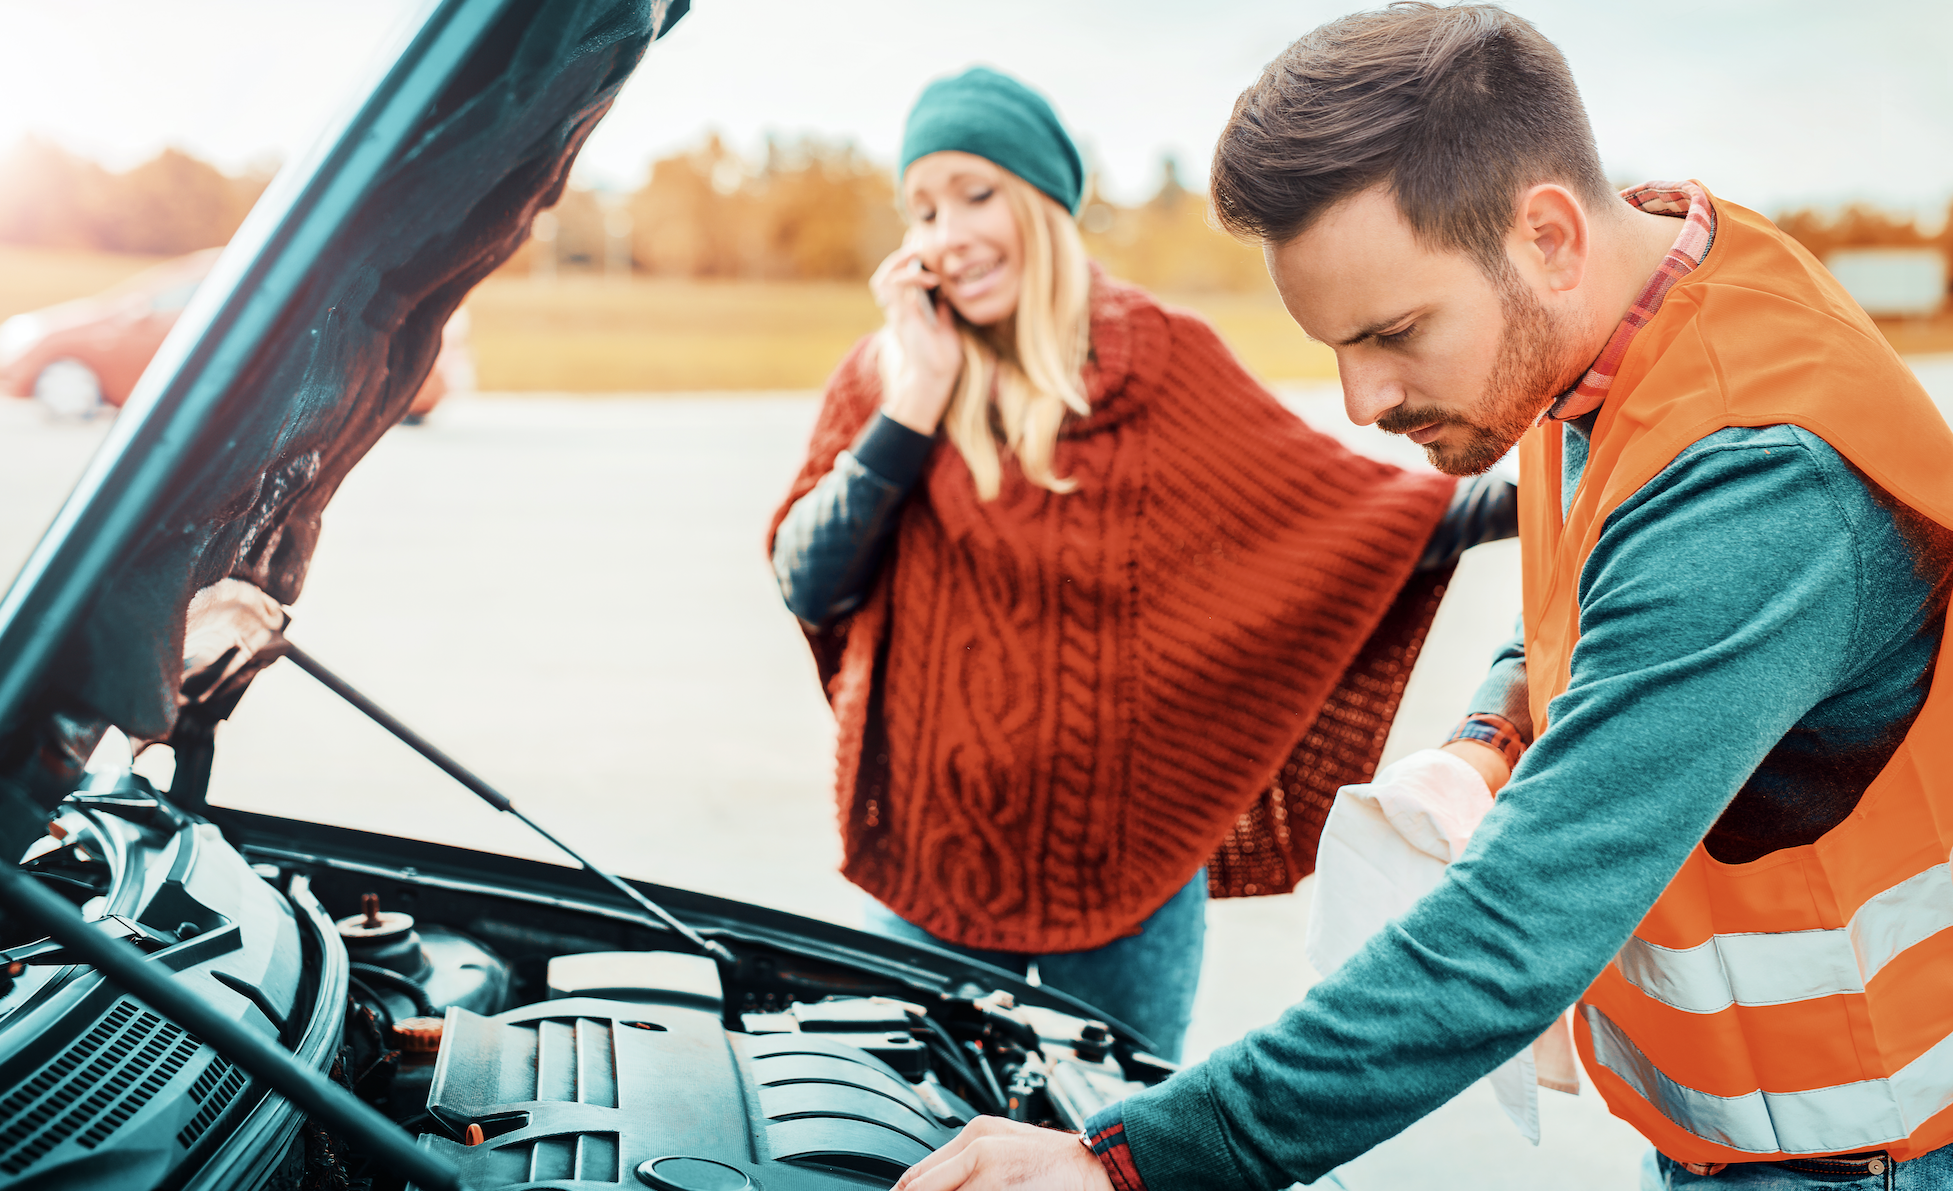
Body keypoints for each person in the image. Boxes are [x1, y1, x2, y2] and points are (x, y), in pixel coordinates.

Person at [894, 7, 1953, 1191]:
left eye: (1395, 333)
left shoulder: (1758, 480)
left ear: (1548, 234)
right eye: (1338, 346)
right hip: (1760, 1140)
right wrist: (1490, 735)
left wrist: (1133, 1165)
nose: (1362, 399)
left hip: (1870, 1154)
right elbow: (1601, 575)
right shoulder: (1638, 303)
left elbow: (1510, 936)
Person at [767, 66, 1518, 1063]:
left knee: (1112, 1132)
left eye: (975, 193)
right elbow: (808, 580)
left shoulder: (1162, 358)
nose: (946, 230)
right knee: (894, 1134)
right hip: (927, 855)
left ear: (1040, 203)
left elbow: (1345, 515)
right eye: (922, 208)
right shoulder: (888, 371)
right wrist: (915, 402)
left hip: (1127, 862)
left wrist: (1550, 484)